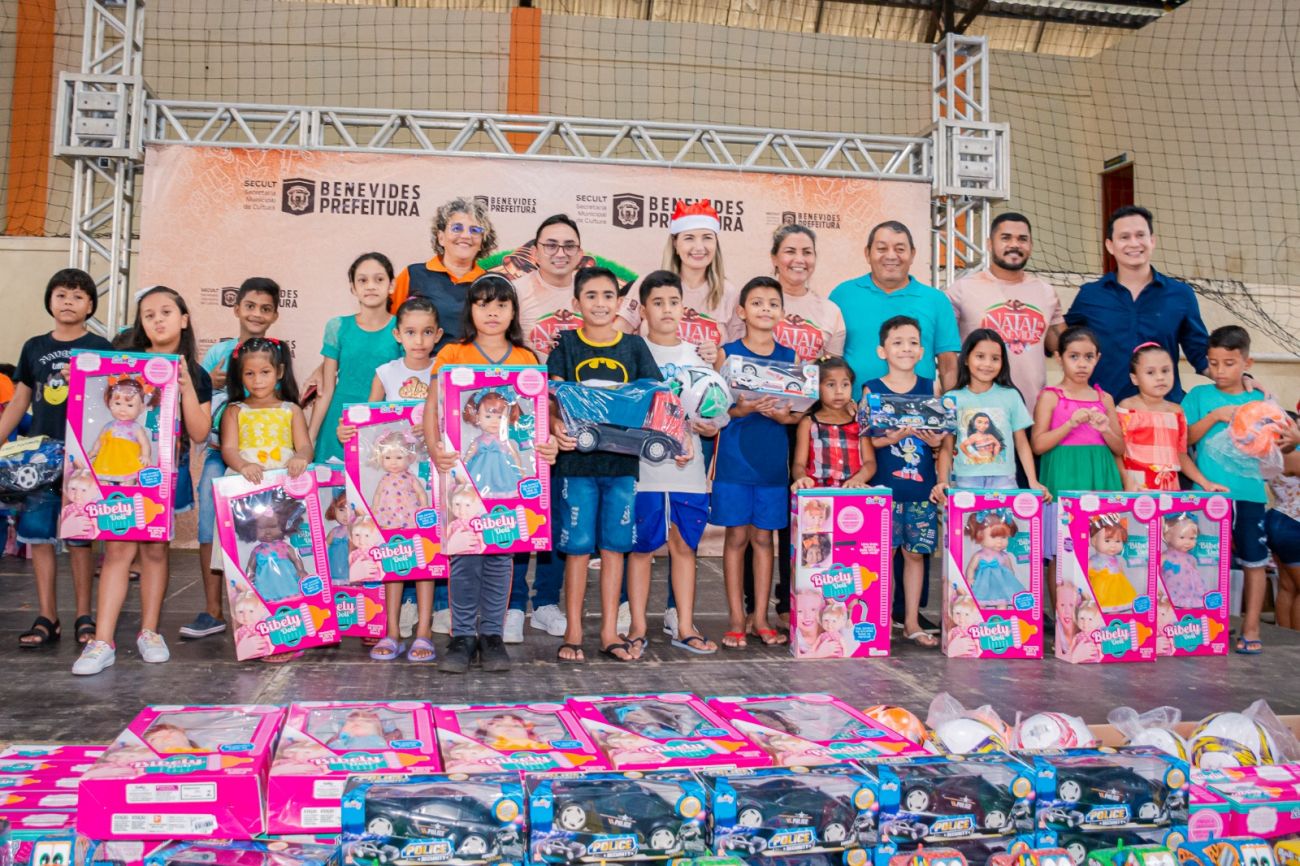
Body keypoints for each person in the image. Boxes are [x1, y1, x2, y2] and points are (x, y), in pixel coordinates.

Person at [73, 287, 213, 675]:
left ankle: (149, 632)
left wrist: (185, 385)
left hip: (163, 474)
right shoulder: (122, 366)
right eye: (148, 315)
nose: (158, 320)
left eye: (166, 312)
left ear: (183, 319)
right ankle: (103, 641)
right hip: (118, 473)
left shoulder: (195, 373)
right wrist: (80, 378)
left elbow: (200, 432)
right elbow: (95, 402)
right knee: (118, 549)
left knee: (154, 551)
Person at [427, 274, 558, 672]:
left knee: (501, 557)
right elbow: (432, 409)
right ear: (470, 310)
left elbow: (538, 419)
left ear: (514, 311)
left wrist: (547, 446)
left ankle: (492, 636)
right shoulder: (453, 353)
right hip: (464, 481)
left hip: (508, 483)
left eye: (502, 304)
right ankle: (463, 636)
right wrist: (435, 449)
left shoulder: (527, 359)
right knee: (465, 556)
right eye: (483, 304)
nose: (492, 312)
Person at [548, 267, 663, 663]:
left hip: (622, 466)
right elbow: (552, 399)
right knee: (578, 549)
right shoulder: (566, 345)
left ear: (619, 302)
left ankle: (609, 632)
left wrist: (673, 436)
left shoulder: (634, 347)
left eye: (608, 296)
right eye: (591, 296)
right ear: (576, 303)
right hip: (576, 466)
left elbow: (656, 398)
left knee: (615, 548)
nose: (600, 303)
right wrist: (555, 424)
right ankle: (574, 632)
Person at [741, 224, 847, 632]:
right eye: (789, 251)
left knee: (801, 513)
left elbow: (834, 372)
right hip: (757, 420)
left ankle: (791, 600)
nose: (798, 259)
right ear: (774, 257)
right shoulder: (757, 299)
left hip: (806, 424)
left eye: (806, 251)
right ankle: (752, 606)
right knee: (756, 518)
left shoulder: (829, 311)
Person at [0, 269, 112, 648]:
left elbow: (111, 402)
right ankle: (47, 616)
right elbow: (20, 400)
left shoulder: (101, 346)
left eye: (78, 296)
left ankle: (84, 615)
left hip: (83, 459)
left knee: (80, 537)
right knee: (38, 535)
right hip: (39, 456)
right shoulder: (33, 346)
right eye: (61, 295)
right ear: (49, 301)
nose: (68, 302)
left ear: (91, 305)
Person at [339, 296, 444, 661]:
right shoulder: (386, 372)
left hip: (429, 478)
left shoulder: (443, 371)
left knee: (426, 555)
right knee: (393, 555)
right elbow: (368, 422)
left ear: (438, 335)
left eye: (427, 332)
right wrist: (348, 432)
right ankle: (392, 630)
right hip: (390, 485)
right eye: (411, 332)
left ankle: (424, 631)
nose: (419, 340)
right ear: (398, 334)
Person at [1184, 326, 1300, 654]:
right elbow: (1184, 439)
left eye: (1229, 363)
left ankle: (1250, 627)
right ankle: (1204, 625)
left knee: (1254, 561)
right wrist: (1215, 417)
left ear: (1247, 363)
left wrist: (1294, 438)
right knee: (1204, 560)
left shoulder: (1259, 400)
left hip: (1250, 494)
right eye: (1213, 363)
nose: (1220, 371)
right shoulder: (1198, 396)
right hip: (1207, 495)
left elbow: (1286, 444)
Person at [626, 271, 720, 656]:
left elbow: (715, 413)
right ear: (643, 310)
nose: (666, 309)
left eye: (673, 302)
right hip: (642, 471)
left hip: (687, 470)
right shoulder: (631, 352)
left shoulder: (698, 356)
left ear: (683, 307)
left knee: (684, 545)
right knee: (641, 549)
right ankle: (636, 626)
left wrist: (708, 424)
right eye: (658, 302)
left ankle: (684, 625)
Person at [181, 277, 281, 642]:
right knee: (209, 516)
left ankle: (265, 602)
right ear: (236, 308)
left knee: (263, 527)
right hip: (217, 451)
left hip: (262, 456)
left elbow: (284, 402)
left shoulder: (276, 354)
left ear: (275, 315)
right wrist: (210, 380)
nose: (256, 314)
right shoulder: (218, 353)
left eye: (265, 308)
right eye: (250, 306)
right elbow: (196, 396)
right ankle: (213, 610)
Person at [712, 276, 801, 649]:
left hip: (771, 463)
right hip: (734, 460)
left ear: (782, 312)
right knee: (736, 537)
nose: (766, 309)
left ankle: (761, 618)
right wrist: (742, 409)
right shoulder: (727, 354)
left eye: (773, 303)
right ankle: (736, 619)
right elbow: (716, 409)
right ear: (742, 311)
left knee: (764, 539)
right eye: (758, 303)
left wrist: (783, 416)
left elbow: (797, 414)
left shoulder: (791, 358)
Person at [511, 214, 584, 641]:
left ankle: (546, 603)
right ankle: (512, 603)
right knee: (520, 512)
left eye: (568, 245)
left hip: (574, 421)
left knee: (560, 515)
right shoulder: (517, 292)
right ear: (535, 251)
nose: (560, 252)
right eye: (551, 245)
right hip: (523, 419)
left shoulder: (590, 292)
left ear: (580, 253)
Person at [1064, 206, 1210, 402]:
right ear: (1110, 245)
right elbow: (1063, 343)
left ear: (1152, 241)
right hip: (1104, 413)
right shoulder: (1090, 295)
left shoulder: (1181, 294)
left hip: (1163, 411)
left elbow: (1200, 353)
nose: (1134, 243)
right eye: (1124, 237)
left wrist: (1239, 379)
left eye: (1140, 235)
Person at [864, 315, 950, 649]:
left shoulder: (932, 388)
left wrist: (935, 445)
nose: (906, 348)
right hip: (883, 491)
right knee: (883, 556)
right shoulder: (872, 389)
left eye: (913, 342)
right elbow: (867, 440)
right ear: (882, 350)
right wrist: (892, 438)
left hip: (920, 491)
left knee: (915, 555)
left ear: (922, 350)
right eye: (897, 342)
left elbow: (943, 442)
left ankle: (911, 621)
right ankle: (881, 619)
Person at [829, 220, 961, 398]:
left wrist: (951, 407)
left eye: (900, 249)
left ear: (912, 254)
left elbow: (948, 366)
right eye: (882, 249)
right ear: (867, 253)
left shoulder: (936, 300)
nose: (891, 256)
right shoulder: (843, 295)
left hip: (920, 411)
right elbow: (830, 360)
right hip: (853, 410)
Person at [947, 213, 1064, 407]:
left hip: (1032, 411)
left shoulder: (1046, 293)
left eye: (1022, 239)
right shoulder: (962, 289)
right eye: (1006, 238)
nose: (1014, 245)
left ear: (1031, 245)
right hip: (977, 412)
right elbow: (944, 352)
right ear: (989, 244)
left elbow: (1066, 348)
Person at [618, 199, 739, 363]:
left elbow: (735, 355)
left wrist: (717, 355)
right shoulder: (649, 282)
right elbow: (619, 335)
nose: (699, 247)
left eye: (707, 238)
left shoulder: (728, 292)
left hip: (705, 379)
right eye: (689, 238)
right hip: (650, 377)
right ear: (675, 243)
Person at [309, 253, 402, 465]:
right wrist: (308, 439)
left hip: (383, 424)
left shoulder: (402, 328)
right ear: (353, 288)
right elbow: (327, 389)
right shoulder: (337, 326)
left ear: (391, 285)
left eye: (379, 279)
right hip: (339, 424)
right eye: (362, 280)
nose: (370, 286)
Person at [937, 329, 1045, 494]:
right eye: (980, 356)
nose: (987, 364)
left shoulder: (1010, 395)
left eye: (995, 358)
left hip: (1005, 481)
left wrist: (1033, 481)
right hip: (966, 481)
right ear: (966, 359)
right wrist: (943, 482)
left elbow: (1022, 443)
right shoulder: (952, 399)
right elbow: (946, 447)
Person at [1116, 342, 1227, 493]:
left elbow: (1180, 454)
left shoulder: (1176, 412)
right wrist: (1126, 481)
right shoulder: (1127, 409)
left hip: (1169, 491)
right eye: (1150, 372)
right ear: (1134, 378)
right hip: (1135, 490)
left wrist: (1205, 483)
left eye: (1166, 370)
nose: (1160, 377)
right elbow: (1116, 452)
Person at [389, 197, 496, 352]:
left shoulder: (491, 283)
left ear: (482, 242)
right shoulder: (413, 275)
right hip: (422, 366)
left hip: (473, 366)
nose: (466, 236)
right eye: (457, 228)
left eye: (475, 230)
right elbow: (388, 325)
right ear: (441, 237)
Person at [1031, 326, 1124, 499]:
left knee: (1104, 518)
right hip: (1063, 475)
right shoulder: (1050, 397)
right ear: (1059, 358)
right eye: (1073, 356)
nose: (1082, 364)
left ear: (1097, 358)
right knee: (1065, 517)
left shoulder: (1105, 399)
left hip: (1101, 476)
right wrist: (1069, 424)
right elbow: (1038, 446)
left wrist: (1105, 430)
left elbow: (1119, 449)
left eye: (1089, 357)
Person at [790, 356, 875, 490]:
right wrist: (802, 478)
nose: (839, 392)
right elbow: (798, 464)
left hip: (852, 493)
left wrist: (858, 479)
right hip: (817, 495)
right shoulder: (808, 423)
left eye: (845, 385)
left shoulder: (860, 421)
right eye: (831, 385)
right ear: (817, 388)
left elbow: (870, 462)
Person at [1266, 419, 1300, 631]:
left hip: (1279, 520)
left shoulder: (1273, 456)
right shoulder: (1293, 456)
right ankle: (1296, 642)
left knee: (1288, 587)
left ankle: (1285, 639)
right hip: (1293, 523)